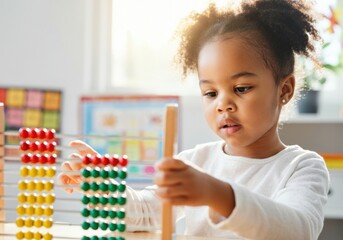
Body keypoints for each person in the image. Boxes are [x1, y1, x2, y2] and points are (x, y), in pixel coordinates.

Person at [59, 0, 330, 239]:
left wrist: (217, 194)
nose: (223, 104)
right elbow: (145, 214)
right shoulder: (195, 162)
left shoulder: (302, 168)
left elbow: (297, 230)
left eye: (241, 88)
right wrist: (103, 186)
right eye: (210, 93)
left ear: (284, 90)